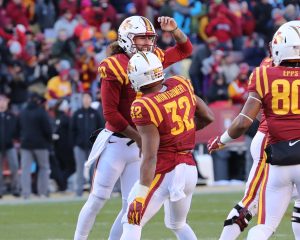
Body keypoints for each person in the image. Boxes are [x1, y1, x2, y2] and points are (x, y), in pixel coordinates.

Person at [74, 15, 193, 240]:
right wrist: (139, 137)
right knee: (98, 198)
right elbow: (110, 113)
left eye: (150, 38)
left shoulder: (153, 57)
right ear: (127, 39)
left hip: (142, 145)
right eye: (141, 38)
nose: (147, 44)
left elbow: (185, 49)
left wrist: (175, 29)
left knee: (130, 206)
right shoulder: (114, 65)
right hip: (117, 141)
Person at [207, 21, 300, 239]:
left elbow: (243, 121)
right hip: (279, 147)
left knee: (263, 221)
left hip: (276, 152)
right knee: (250, 202)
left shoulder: (262, 73)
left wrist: (222, 139)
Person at [120, 51, 214, 240]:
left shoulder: (143, 105)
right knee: (177, 224)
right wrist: (179, 135)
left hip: (166, 169)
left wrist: (140, 194)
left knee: (132, 220)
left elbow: (149, 155)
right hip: (189, 168)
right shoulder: (180, 84)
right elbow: (208, 117)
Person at [19, 92, 52, 199]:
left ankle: (26, 194)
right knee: (44, 168)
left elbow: (17, 128)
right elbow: (48, 129)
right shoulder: (41, 112)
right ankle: (42, 193)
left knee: (25, 170)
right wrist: (48, 141)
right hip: (41, 145)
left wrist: (22, 138)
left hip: (25, 144)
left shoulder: (22, 112)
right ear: (37, 100)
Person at [0, 93, 20, 198]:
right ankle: (0, 190)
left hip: (9, 145)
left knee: (15, 166)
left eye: (4, 101)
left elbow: (17, 130)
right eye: (1, 101)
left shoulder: (11, 116)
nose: (2, 103)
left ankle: (15, 189)